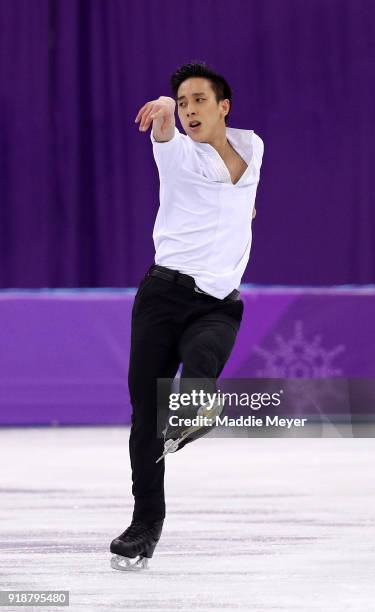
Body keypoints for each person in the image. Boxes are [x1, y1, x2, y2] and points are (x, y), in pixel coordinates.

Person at [110, 61, 264, 571]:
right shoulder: (175, 150)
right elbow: (165, 136)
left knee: (204, 360)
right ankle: (145, 525)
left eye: (199, 101)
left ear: (224, 107)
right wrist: (162, 116)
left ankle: (198, 408)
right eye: (183, 102)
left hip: (218, 302)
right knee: (146, 421)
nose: (189, 110)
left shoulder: (251, 146)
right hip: (161, 298)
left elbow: (238, 184)